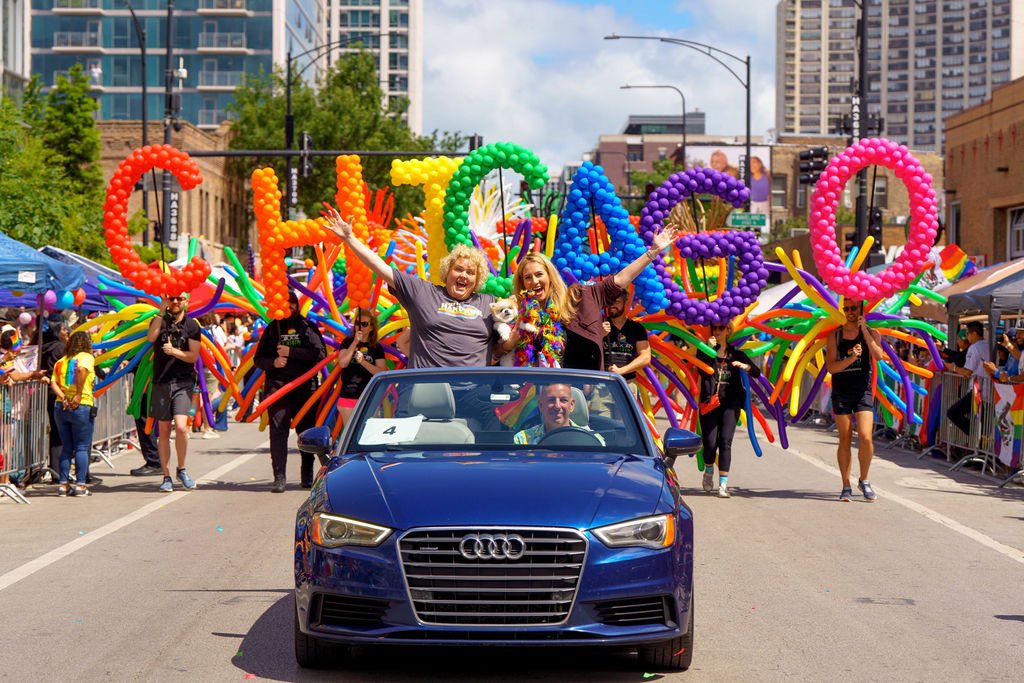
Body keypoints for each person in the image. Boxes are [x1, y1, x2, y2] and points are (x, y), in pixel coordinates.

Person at [322, 206, 495, 368]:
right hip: (429, 394)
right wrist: (350, 239)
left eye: (471, 272)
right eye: (458, 269)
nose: (464, 275)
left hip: (474, 395)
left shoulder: (490, 304)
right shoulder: (424, 292)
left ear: (477, 279)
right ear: (447, 272)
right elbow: (381, 268)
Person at [501, 224, 681, 370]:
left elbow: (619, 280)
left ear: (550, 276)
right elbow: (501, 351)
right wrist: (512, 341)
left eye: (539, 274)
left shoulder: (581, 297)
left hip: (583, 389)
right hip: (538, 392)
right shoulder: (519, 312)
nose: (534, 281)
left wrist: (653, 252)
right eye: (527, 278)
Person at [254, 291, 326, 492]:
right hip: (278, 388)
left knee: (307, 432)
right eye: (284, 303)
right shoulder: (272, 329)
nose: (289, 306)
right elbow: (258, 359)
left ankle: (307, 474)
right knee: (278, 432)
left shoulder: (307, 327)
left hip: (305, 388)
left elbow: (320, 353)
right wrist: (274, 362)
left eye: (292, 303)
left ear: (297, 304)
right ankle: (279, 476)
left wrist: (291, 352)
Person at [825, 300, 885, 502]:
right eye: (846, 309)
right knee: (844, 437)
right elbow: (831, 368)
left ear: (861, 310)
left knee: (866, 437)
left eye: (853, 308)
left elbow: (878, 356)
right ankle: (845, 484)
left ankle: (864, 480)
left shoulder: (872, 332)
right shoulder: (835, 335)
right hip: (841, 391)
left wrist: (865, 331)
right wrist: (851, 358)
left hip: (863, 391)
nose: (849, 312)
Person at [696, 320, 761, 498]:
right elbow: (702, 371)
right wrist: (709, 351)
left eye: (721, 328)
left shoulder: (736, 354)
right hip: (710, 403)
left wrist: (744, 366)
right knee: (709, 443)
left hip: (730, 404)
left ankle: (723, 485)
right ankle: (708, 471)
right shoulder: (703, 350)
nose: (717, 331)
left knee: (725, 441)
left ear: (728, 330)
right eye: (714, 328)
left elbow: (756, 371)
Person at [146, 294, 201, 493]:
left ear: (186, 301)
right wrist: (160, 312)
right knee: (162, 431)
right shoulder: (158, 320)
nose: (175, 302)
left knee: (181, 427)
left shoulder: (192, 325)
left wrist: (174, 352)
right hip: (161, 382)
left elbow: (193, 356)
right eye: (172, 299)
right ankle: (166, 475)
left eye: (179, 299)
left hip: (183, 382)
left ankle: (182, 469)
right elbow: (151, 338)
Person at [49, 331, 97, 497]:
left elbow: (53, 382)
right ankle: (81, 485)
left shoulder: (61, 361)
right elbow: (82, 370)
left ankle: (63, 485)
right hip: (81, 404)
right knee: (82, 447)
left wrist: (63, 397)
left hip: (61, 406)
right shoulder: (85, 357)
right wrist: (77, 394)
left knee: (67, 447)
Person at [513, 383, 604, 445]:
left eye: (563, 400)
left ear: (571, 405)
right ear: (541, 405)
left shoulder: (593, 441)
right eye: (551, 400)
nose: (557, 406)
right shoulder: (522, 440)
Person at [338, 307, 387, 421]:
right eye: (357, 323)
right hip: (349, 395)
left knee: (368, 435)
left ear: (371, 328)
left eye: (364, 324)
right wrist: (355, 342)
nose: (360, 327)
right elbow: (343, 363)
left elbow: (381, 372)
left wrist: (363, 362)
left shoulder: (376, 347)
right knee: (351, 434)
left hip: (369, 396)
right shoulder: (347, 342)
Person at [946, 321, 990, 439]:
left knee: (952, 412)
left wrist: (953, 367)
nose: (966, 337)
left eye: (968, 334)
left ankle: (976, 438)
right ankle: (980, 442)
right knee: (985, 423)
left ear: (975, 333)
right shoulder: (989, 345)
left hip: (977, 391)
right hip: (988, 391)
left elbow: (967, 372)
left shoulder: (974, 348)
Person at [41, 320, 69, 477]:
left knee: (56, 432)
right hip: (59, 392)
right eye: (63, 329)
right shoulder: (60, 348)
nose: (66, 332)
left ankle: (56, 470)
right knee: (61, 433)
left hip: (50, 392)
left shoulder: (44, 348)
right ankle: (59, 472)